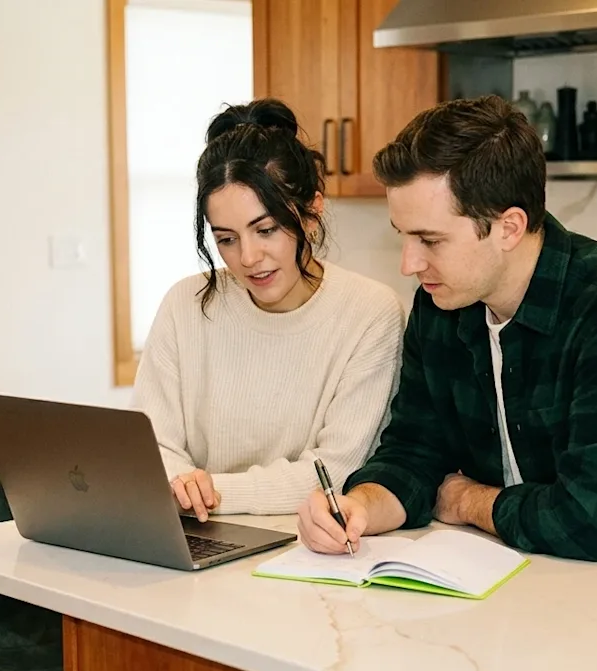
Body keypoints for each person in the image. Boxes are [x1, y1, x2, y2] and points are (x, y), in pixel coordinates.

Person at [295, 95, 597, 569]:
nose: (409, 263)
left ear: (509, 227)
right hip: (529, 579)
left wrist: (467, 500)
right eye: (402, 236)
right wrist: (359, 506)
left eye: (430, 240)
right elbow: (413, 450)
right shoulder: (443, 301)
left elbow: (589, 524)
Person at [131, 97, 405, 521]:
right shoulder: (184, 305)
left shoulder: (370, 313)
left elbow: (334, 472)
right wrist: (182, 487)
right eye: (226, 239)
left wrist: (208, 491)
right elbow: (150, 446)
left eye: (266, 229)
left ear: (312, 212)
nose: (248, 257)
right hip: (192, 532)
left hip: (304, 546)